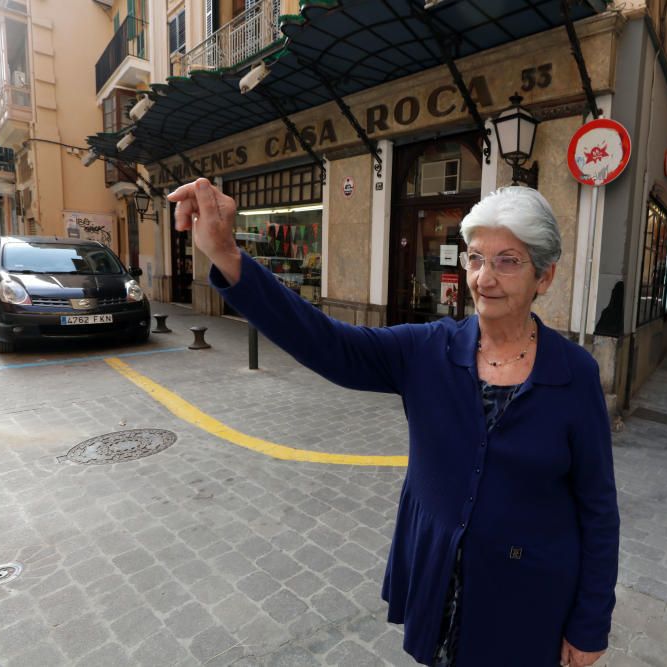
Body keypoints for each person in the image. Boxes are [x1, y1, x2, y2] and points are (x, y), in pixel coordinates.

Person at [168, 179, 620, 667]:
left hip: (530, 599)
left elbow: (597, 508)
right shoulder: (426, 350)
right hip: (442, 582)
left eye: (507, 261)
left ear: (545, 277)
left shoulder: (574, 374)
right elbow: (328, 343)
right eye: (475, 258)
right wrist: (228, 255)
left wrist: (590, 623)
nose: (484, 278)